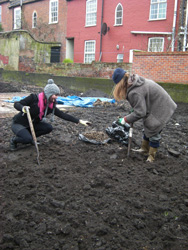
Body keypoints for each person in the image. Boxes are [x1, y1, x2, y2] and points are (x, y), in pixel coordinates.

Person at [112, 68, 177, 162]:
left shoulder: (134, 92)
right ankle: (144, 149)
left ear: (120, 84)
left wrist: (125, 119)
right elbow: (141, 103)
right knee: (148, 125)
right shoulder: (134, 82)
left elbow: (140, 112)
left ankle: (151, 156)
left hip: (161, 106)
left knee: (153, 128)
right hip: (157, 103)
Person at [10, 79, 91, 150]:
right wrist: (23, 108)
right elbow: (17, 104)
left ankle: (29, 137)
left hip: (32, 124)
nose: (56, 97)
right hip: (19, 124)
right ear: (48, 94)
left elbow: (63, 115)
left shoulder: (50, 106)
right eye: (55, 95)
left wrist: (79, 121)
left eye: (57, 95)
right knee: (27, 139)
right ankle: (14, 140)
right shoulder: (33, 98)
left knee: (48, 128)